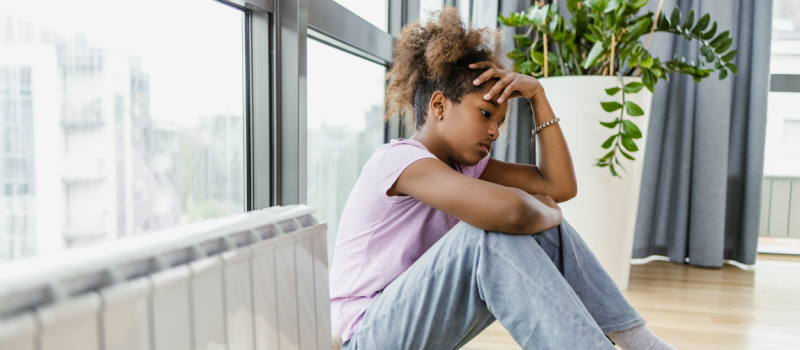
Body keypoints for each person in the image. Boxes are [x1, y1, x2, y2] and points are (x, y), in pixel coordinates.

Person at [328, 8, 675, 350]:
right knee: (485, 235)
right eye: (485, 114)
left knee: (507, 227)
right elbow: (513, 212)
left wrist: (538, 96)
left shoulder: (465, 168)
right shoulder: (398, 161)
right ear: (439, 106)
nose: (494, 132)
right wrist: (550, 214)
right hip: (364, 337)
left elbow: (559, 186)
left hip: (409, 322)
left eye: (500, 121)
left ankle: (637, 341)